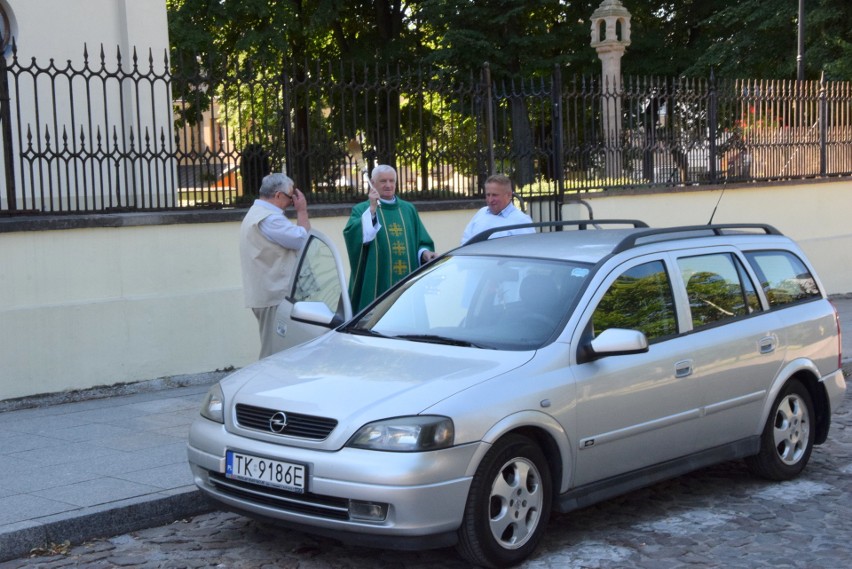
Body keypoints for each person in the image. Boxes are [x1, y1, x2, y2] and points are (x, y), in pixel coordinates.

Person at [343, 164, 436, 312]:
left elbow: (420, 240)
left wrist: (424, 253)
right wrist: (372, 211)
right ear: (372, 184)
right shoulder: (362, 209)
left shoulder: (408, 209)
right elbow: (354, 237)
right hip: (378, 283)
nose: (388, 185)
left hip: (407, 281)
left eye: (392, 181)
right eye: (383, 181)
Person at [239, 173, 311, 359]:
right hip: (274, 296)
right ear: (278, 195)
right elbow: (303, 240)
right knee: (274, 354)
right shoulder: (270, 219)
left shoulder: (257, 213)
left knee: (280, 350)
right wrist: (302, 211)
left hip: (269, 294)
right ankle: (265, 387)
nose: (291, 202)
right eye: (290, 196)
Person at [461, 174, 535, 244]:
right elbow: (465, 242)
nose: (490, 200)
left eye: (494, 195)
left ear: (509, 195)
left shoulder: (521, 221)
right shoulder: (481, 213)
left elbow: (527, 250)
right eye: (488, 195)